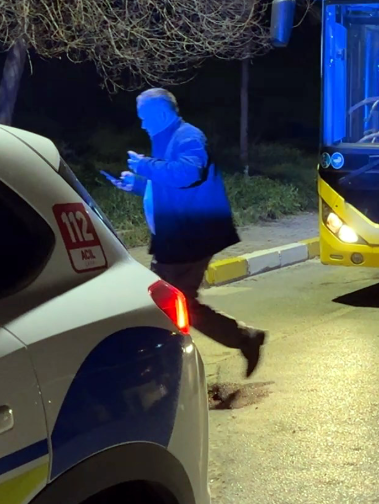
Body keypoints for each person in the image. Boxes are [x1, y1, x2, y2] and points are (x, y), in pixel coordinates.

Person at [105, 89, 266, 377]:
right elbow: (170, 187)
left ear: (160, 113)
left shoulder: (188, 137)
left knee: (165, 303)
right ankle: (238, 340)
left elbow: (187, 174)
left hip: (189, 238)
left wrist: (145, 166)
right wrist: (138, 184)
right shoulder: (168, 138)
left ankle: (164, 369)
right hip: (177, 238)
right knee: (175, 303)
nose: (142, 124)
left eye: (144, 117)